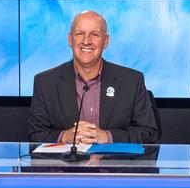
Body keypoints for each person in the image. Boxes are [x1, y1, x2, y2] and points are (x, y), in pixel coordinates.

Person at [27, 10, 160, 145]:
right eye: (79, 34)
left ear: (106, 41)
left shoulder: (132, 81)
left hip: (115, 159)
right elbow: (35, 133)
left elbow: (149, 133)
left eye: (94, 34)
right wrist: (64, 136)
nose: (86, 41)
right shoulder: (45, 83)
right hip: (66, 159)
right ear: (70, 39)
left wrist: (106, 136)